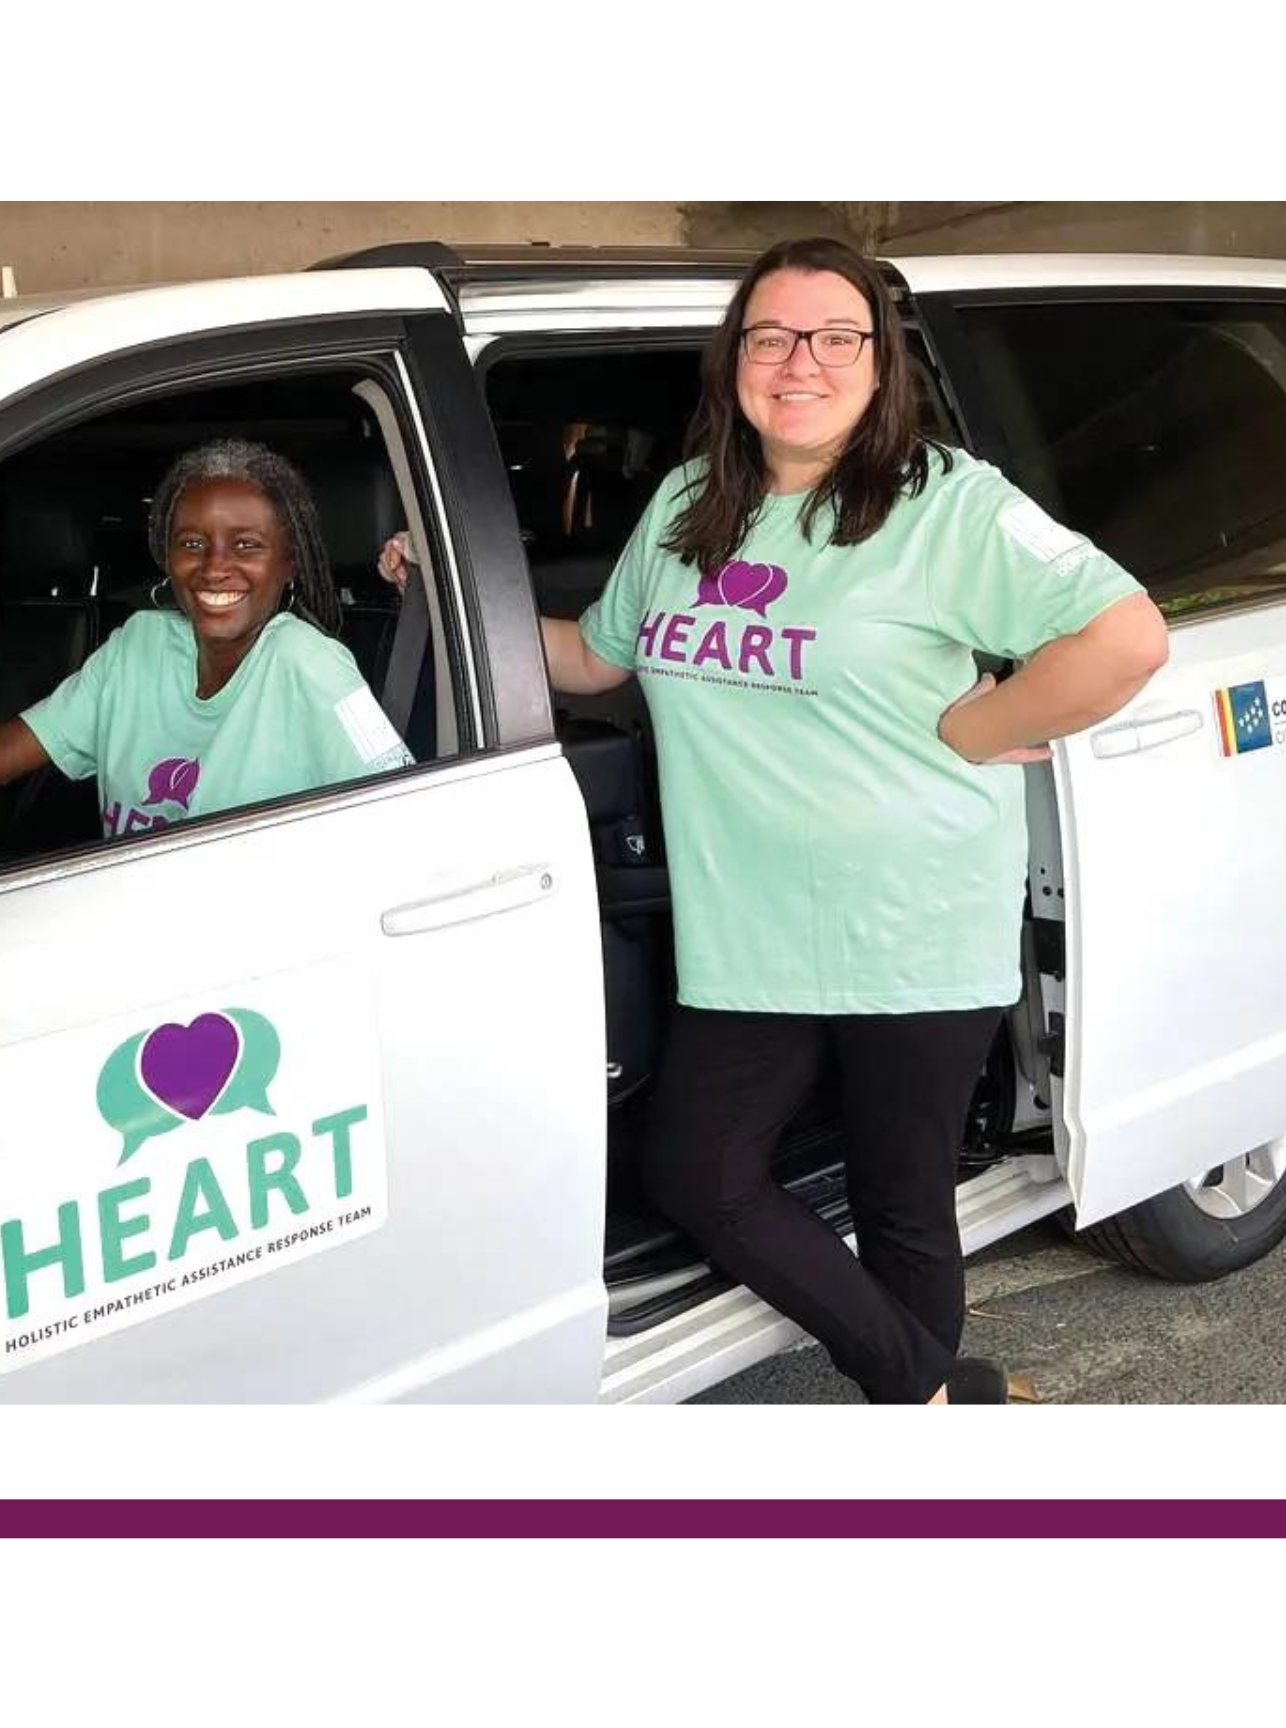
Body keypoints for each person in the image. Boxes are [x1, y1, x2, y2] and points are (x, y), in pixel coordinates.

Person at [383, 238, 1168, 1404]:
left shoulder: (944, 505)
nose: (800, 361)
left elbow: (1126, 636)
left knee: (902, 1201)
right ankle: (937, 1392)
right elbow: (598, 663)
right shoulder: (695, 503)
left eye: (834, 337)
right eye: (770, 336)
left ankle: (918, 1411)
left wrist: (978, 725)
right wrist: (451, 591)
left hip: (913, 922)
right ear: (735, 359)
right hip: (747, 923)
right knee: (700, 1172)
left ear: (878, 361)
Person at [0, 439, 413, 839]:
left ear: (290, 564)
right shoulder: (137, 646)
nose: (215, 566)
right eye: (191, 544)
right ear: (166, 558)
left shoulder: (309, 663)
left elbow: (410, 816)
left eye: (246, 546)